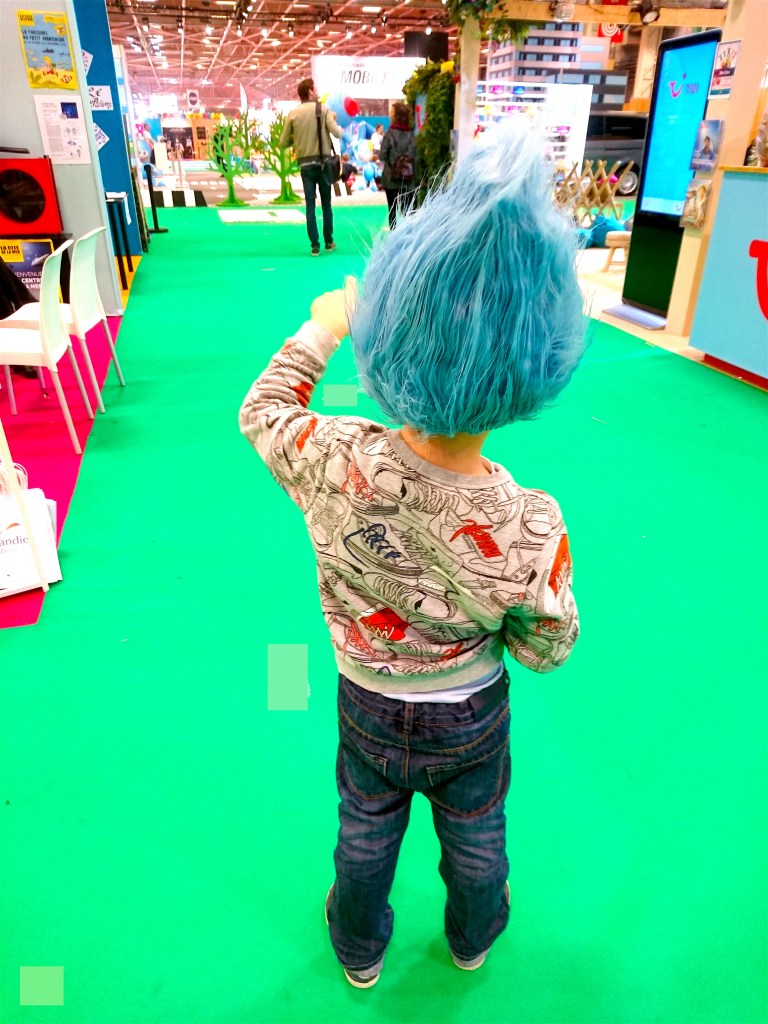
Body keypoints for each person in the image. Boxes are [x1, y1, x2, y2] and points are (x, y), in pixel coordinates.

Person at [239, 121, 585, 989]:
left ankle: (358, 945)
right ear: (538, 355)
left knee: (364, 834)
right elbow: (547, 647)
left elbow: (263, 411)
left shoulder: (333, 455)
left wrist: (322, 328)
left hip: (365, 698)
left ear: (388, 331)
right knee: (478, 836)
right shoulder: (530, 520)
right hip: (471, 713)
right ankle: (473, 932)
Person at [280, 77, 343, 256]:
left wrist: (298, 140)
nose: (317, 92)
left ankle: (314, 245)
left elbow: (283, 142)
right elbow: (337, 133)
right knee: (326, 205)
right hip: (323, 164)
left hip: (305, 166)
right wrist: (334, 120)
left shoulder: (293, 114)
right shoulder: (323, 110)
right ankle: (329, 242)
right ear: (310, 91)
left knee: (310, 205)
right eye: (315, 89)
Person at [379, 102, 418, 230]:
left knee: (392, 210)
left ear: (396, 116)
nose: (390, 115)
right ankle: (409, 236)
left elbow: (382, 156)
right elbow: (415, 156)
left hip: (391, 178)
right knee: (408, 211)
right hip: (408, 179)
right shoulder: (411, 135)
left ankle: (393, 235)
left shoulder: (389, 134)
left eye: (392, 113)